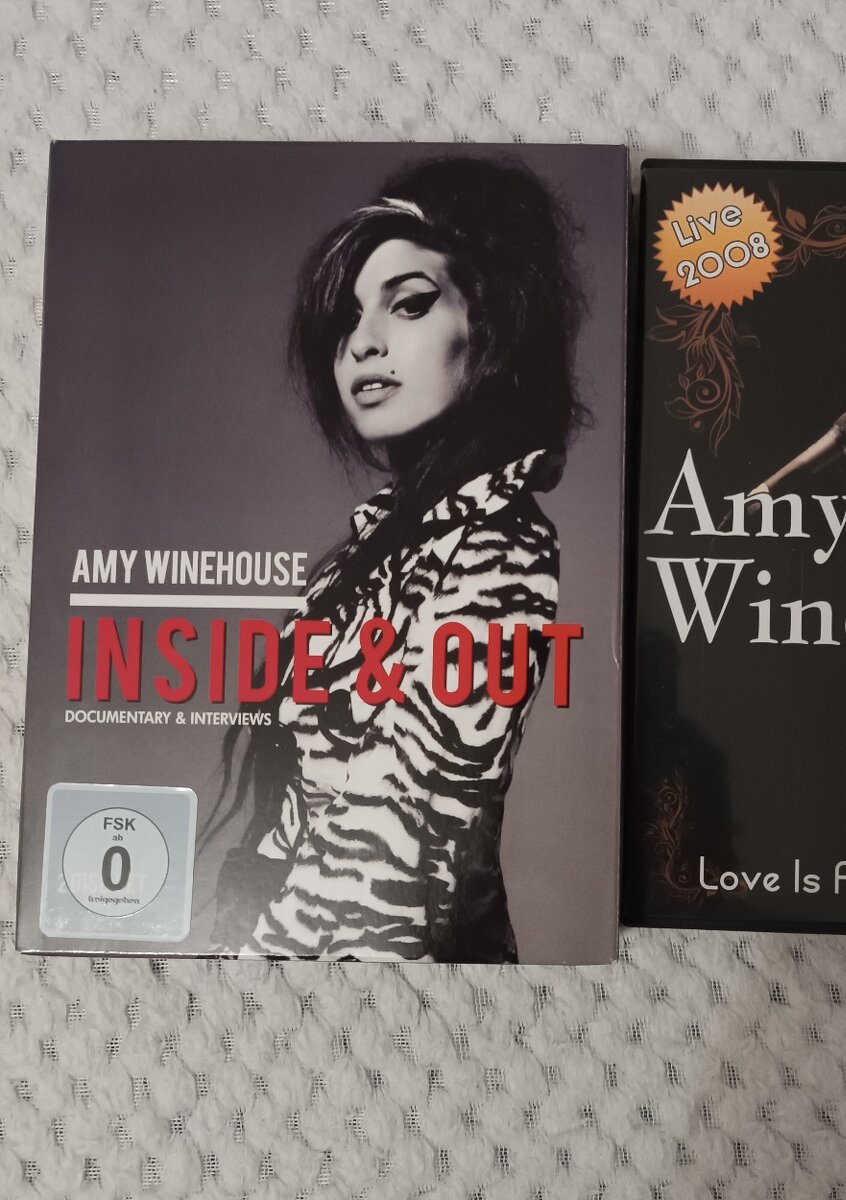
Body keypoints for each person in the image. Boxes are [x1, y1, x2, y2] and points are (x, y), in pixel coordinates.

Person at [207, 157, 586, 961]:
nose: (362, 345)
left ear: (495, 327)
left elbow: (390, 852)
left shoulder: (497, 549)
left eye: (410, 304)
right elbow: (298, 823)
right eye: (345, 321)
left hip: (392, 968)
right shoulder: (367, 558)